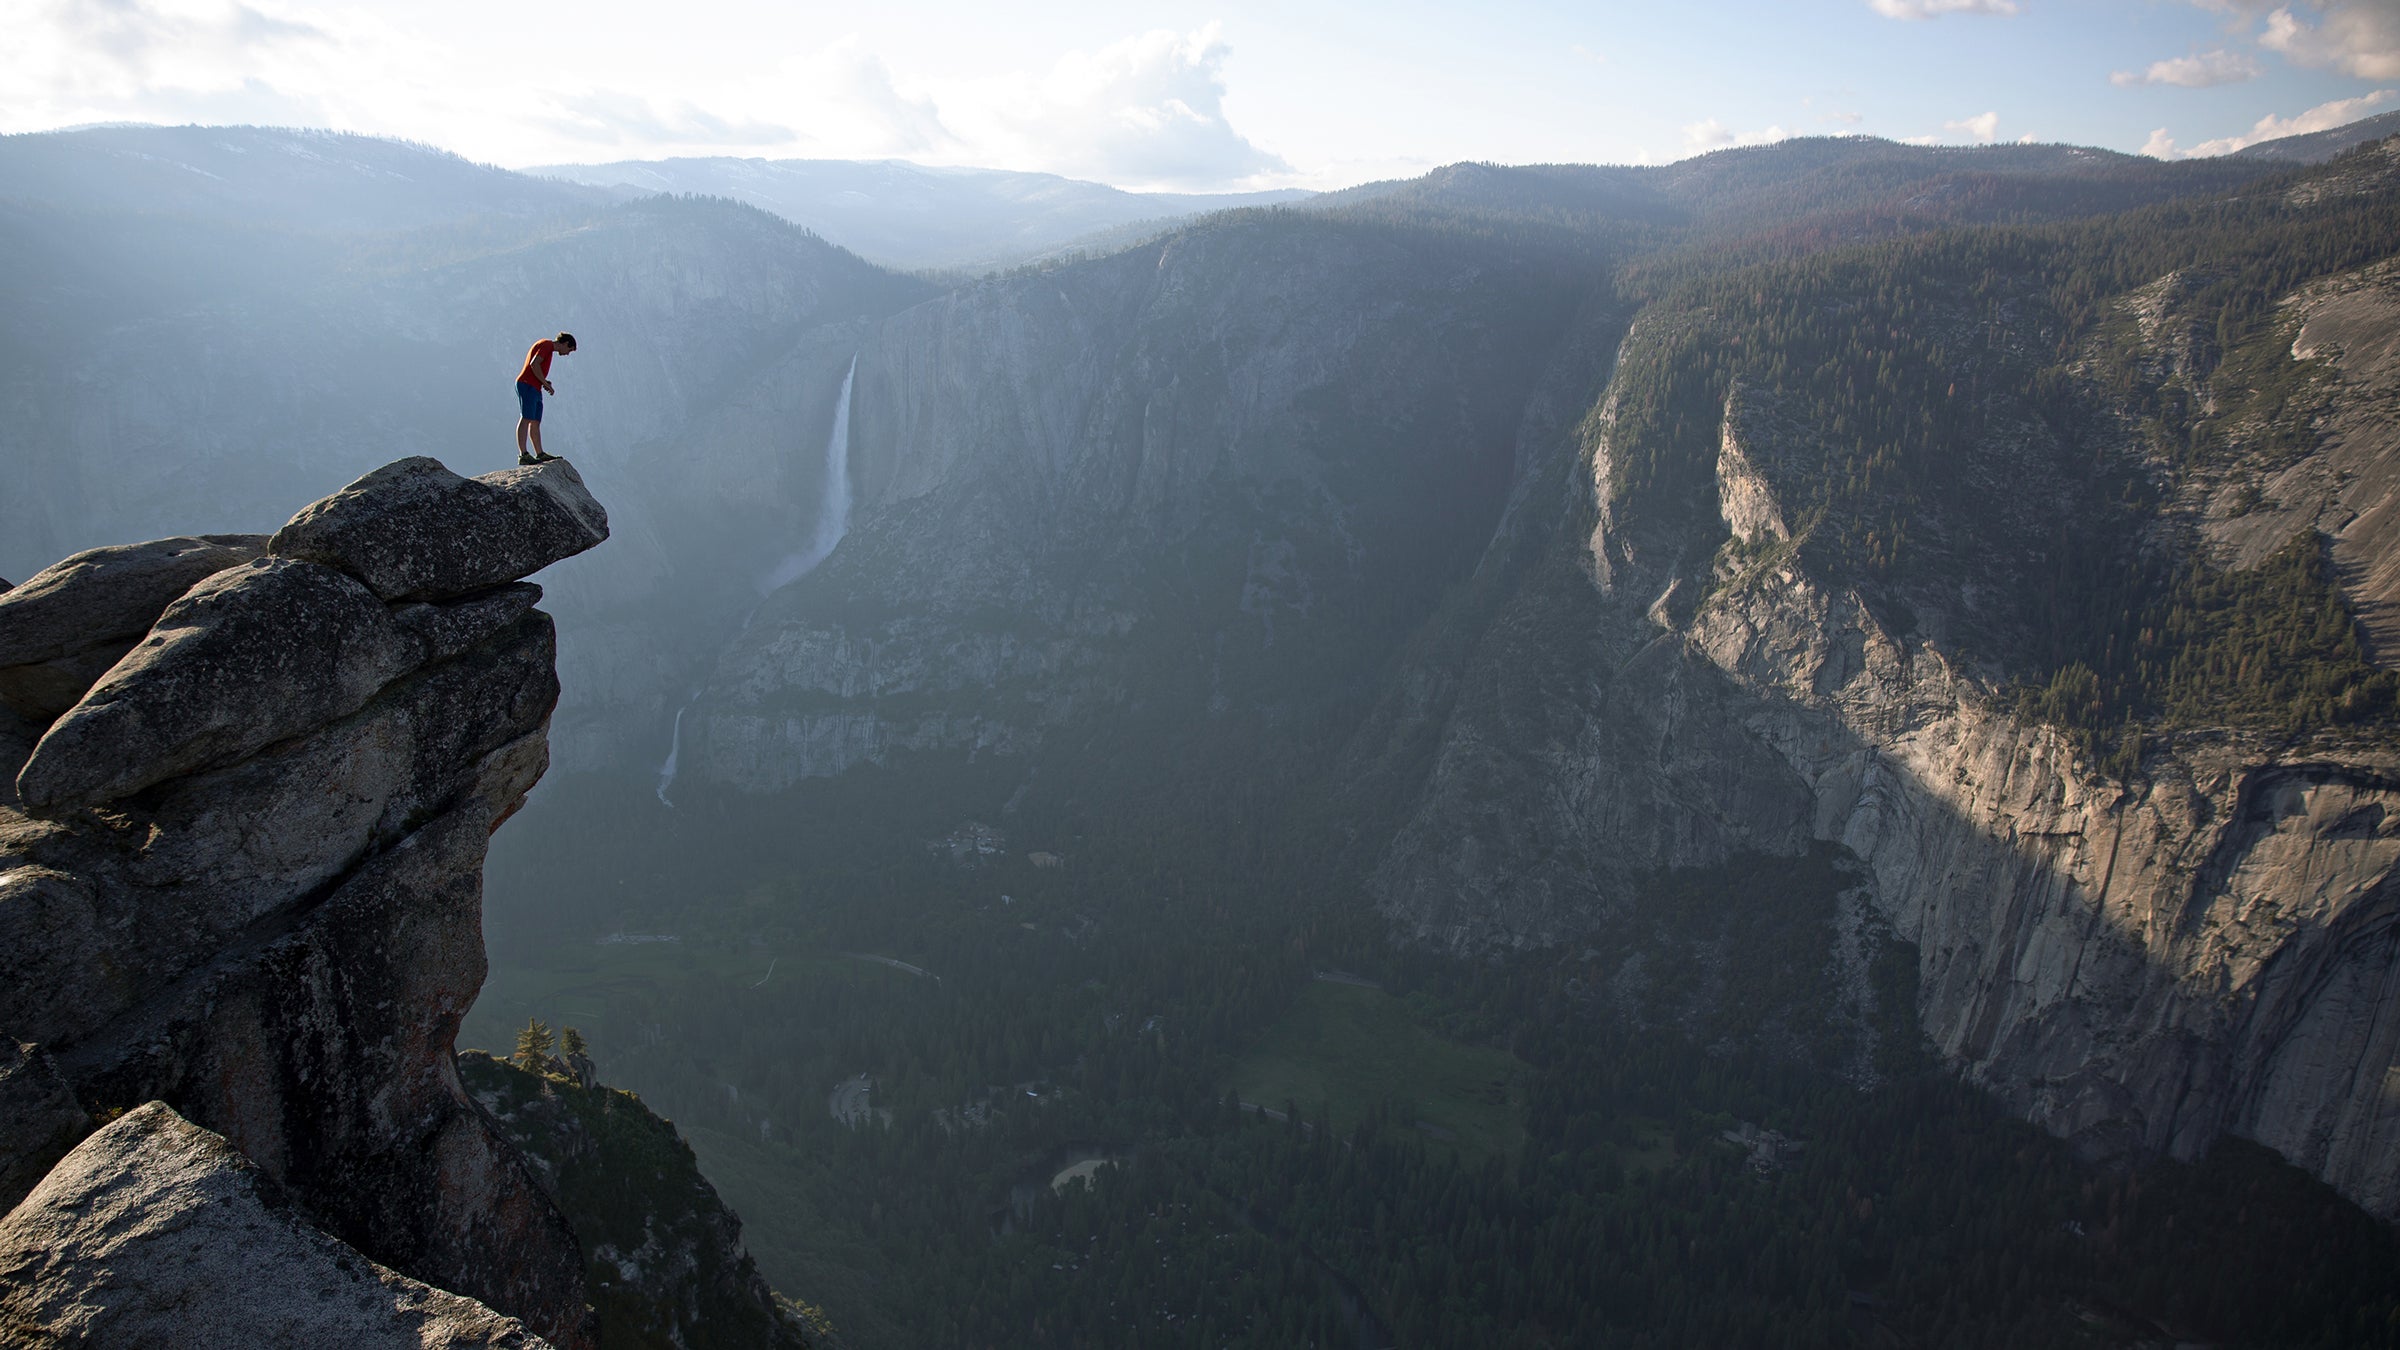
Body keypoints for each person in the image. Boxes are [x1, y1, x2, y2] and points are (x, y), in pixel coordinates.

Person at [514, 331, 578, 465]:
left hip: (535, 387)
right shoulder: (547, 345)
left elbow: (537, 368)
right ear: (565, 343)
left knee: (535, 421)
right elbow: (534, 364)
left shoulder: (549, 349)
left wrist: (544, 381)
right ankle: (523, 454)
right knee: (526, 417)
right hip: (527, 384)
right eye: (569, 350)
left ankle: (539, 453)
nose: (567, 354)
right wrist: (544, 383)